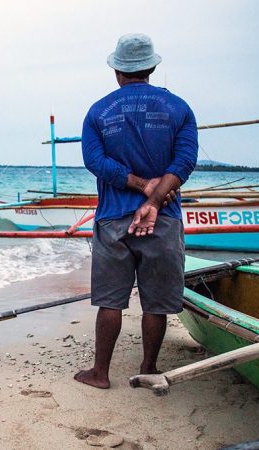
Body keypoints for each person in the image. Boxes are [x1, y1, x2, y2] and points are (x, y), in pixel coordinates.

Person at [73, 33, 198, 389]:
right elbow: (184, 161)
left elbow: (95, 161)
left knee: (110, 301)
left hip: (113, 218)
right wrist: (154, 198)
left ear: (117, 71)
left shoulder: (98, 111)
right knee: (155, 303)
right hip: (164, 218)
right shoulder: (179, 108)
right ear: (151, 68)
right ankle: (149, 367)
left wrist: (140, 185)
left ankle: (100, 373)